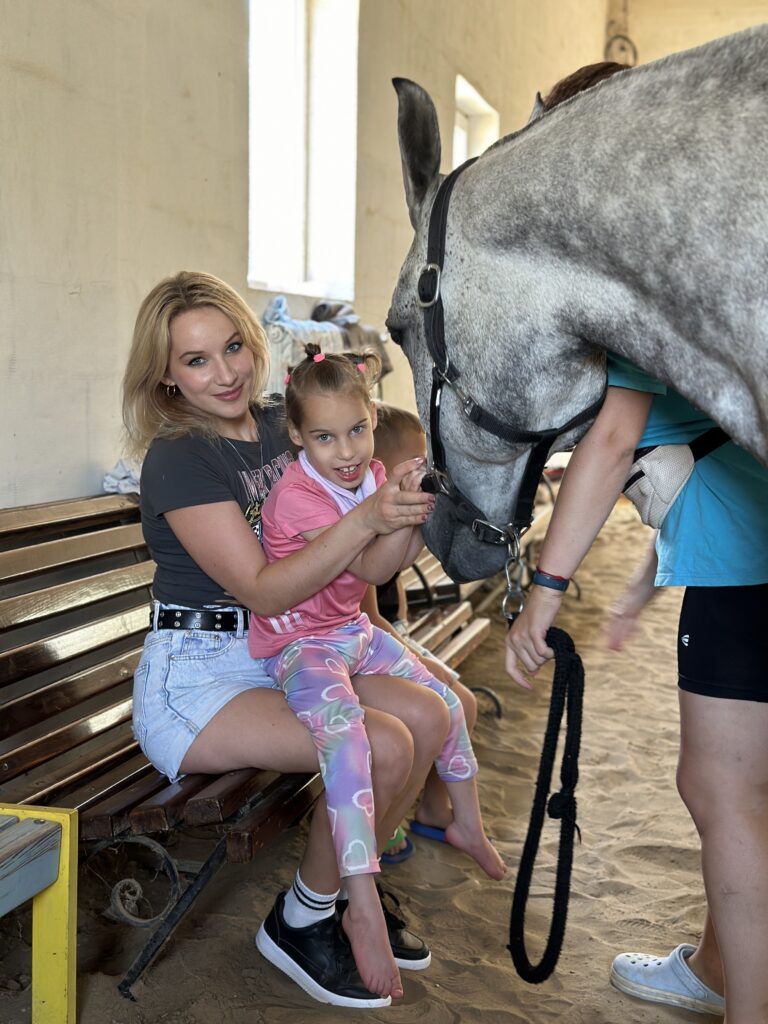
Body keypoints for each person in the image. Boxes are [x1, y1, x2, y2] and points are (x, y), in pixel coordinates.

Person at [505, 65, 768, 1024]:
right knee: (749, 790)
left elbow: (615, 442)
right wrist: (641, 587)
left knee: (720, 790)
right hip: (738, 556)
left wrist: (545, 594)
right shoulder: (727, 236)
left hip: (747, 575)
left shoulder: (647, 266)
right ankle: (715, 965)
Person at [122, 270, 453, 1011]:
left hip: (291, 647)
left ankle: (331, 895)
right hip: (201, 679)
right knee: (383, 742)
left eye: (233, 347)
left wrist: (396, 522)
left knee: (428, 715)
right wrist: (367, 520)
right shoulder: (179, 458)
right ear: (166, 376)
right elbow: (266, 590)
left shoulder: (283, 424)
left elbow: (349, 562)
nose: (226, 373)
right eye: (197, 360)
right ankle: (304, 919)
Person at [248, 346, 506, 999]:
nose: (347, 451)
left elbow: (394, 553)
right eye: (326, 437)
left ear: (372, 420)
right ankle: (357, 897)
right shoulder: (296, 497)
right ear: (297, 436)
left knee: (447, 699)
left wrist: (420, 501)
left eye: (357, 430)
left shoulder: (372, 475)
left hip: (350, 633)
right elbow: (369, 567)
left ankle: (466, 820)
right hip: (301, 646)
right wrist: (402, 510)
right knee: (348, 738)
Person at [362, 402, 480, 854]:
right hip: (370, 643)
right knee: (447, 704)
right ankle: (385, 820)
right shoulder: (361, 528)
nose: (425, 471)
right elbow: (371, 617)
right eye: (415, 461)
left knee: (462, 703)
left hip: (389, 634)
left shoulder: (392, 519)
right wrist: (418, 659)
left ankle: (432, 808)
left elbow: (394, 600)